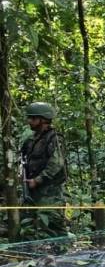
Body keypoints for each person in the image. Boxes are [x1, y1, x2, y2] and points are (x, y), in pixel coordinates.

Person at [20, 102, 67, 240]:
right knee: (31, 225)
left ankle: (64, 257)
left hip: (50, 192)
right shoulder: (30, 140)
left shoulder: (54, 138)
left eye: (33, 118)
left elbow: (56, 163)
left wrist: (38, 180)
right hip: (32, 190)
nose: (29, 121)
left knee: (54, 225)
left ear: (43, 120)